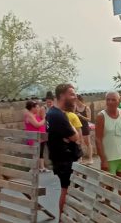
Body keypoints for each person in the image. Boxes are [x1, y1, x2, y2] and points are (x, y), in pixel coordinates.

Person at [46, 83, 81, 214]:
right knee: (66, 191)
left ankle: (67, 218)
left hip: (62, 159)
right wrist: (72, 130)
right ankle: (63, 220)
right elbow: (75, 136)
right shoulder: (58, 115)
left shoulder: (53, 113)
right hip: (64, 160)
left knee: (68, 190)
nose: (75, 97)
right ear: (62, 96)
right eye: (71, 94)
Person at [95, 91, 121, 179]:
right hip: (109, 159)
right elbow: (98, 139)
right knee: (108, 188)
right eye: (108, 100)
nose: (110, 102)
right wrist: (103, 159)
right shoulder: (101, 116)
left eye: (113, 100)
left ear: (119, 101)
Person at [24, 100, 48, 172]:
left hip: (41, 135)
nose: (37, 109)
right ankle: (34, 168)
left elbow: (42, 110)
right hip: (34, 137)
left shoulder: (35, 114)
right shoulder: (29, 115)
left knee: (41, 152)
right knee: (35, 152)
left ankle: (42, 167)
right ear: (32, 108)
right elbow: (37, 125)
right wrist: (44, 119)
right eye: (36, 107)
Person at [74, 95, 93, 164]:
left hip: (85, 126)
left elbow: (89, 119)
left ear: (80, 100)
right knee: (79, 143)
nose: (76, 102)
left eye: (77, 100)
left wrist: (81, 116)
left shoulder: (86, 108)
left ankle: (90, 159)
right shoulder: (75, 107)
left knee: (88, 143)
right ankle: (80, 158)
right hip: (78, 127)